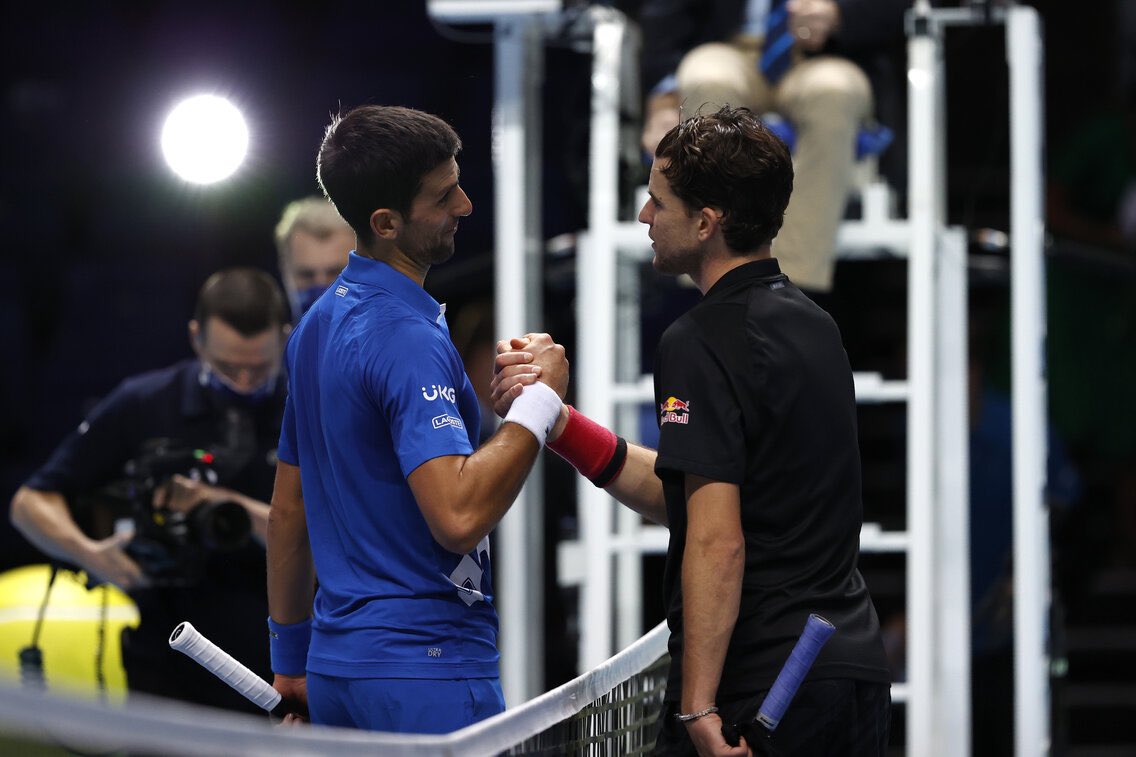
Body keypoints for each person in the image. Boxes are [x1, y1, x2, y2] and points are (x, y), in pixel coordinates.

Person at [493, 106, 891, 756]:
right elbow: (693, 490)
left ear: (707, 222)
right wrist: (557, 423)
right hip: (846, 673)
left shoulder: (699, 341)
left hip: (759, 689)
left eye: (658, 201)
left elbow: (716, 538)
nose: (646, 217)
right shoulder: (816, 327)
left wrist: (698, 705)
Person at [266, 104, 569, 734]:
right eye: (443, 196)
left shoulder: (314, 327)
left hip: (337, 672)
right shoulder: (406, 337)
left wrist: (290, 661)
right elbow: (457, 517)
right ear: (386, 222)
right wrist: (541, 406)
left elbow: (288, 513)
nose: (464, 204)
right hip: (426, 673)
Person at [9, 267, 291, 713]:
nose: (242, 382)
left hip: (286, 659)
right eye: (226, 367)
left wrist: (227, 505)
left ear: (285, 337)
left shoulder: (313, 402)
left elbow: (334, 533)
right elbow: (31, 502)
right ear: (196, 338)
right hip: (166, 659)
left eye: (258, 369)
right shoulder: (145, 402)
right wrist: (91, 553)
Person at [637, 0, 909, 303]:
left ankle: (785, 296)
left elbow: (898, 8)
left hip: (828, 56)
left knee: (835, 92)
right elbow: (665, 14)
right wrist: (662, 101)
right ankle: (714, 285)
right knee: (706, 77)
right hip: (732, 48)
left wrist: (839, 13)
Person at [274, 195, 356, 323]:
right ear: (285, 271)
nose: (321, 285)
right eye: (306, 275)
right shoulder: (268, 342)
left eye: (335, 273)